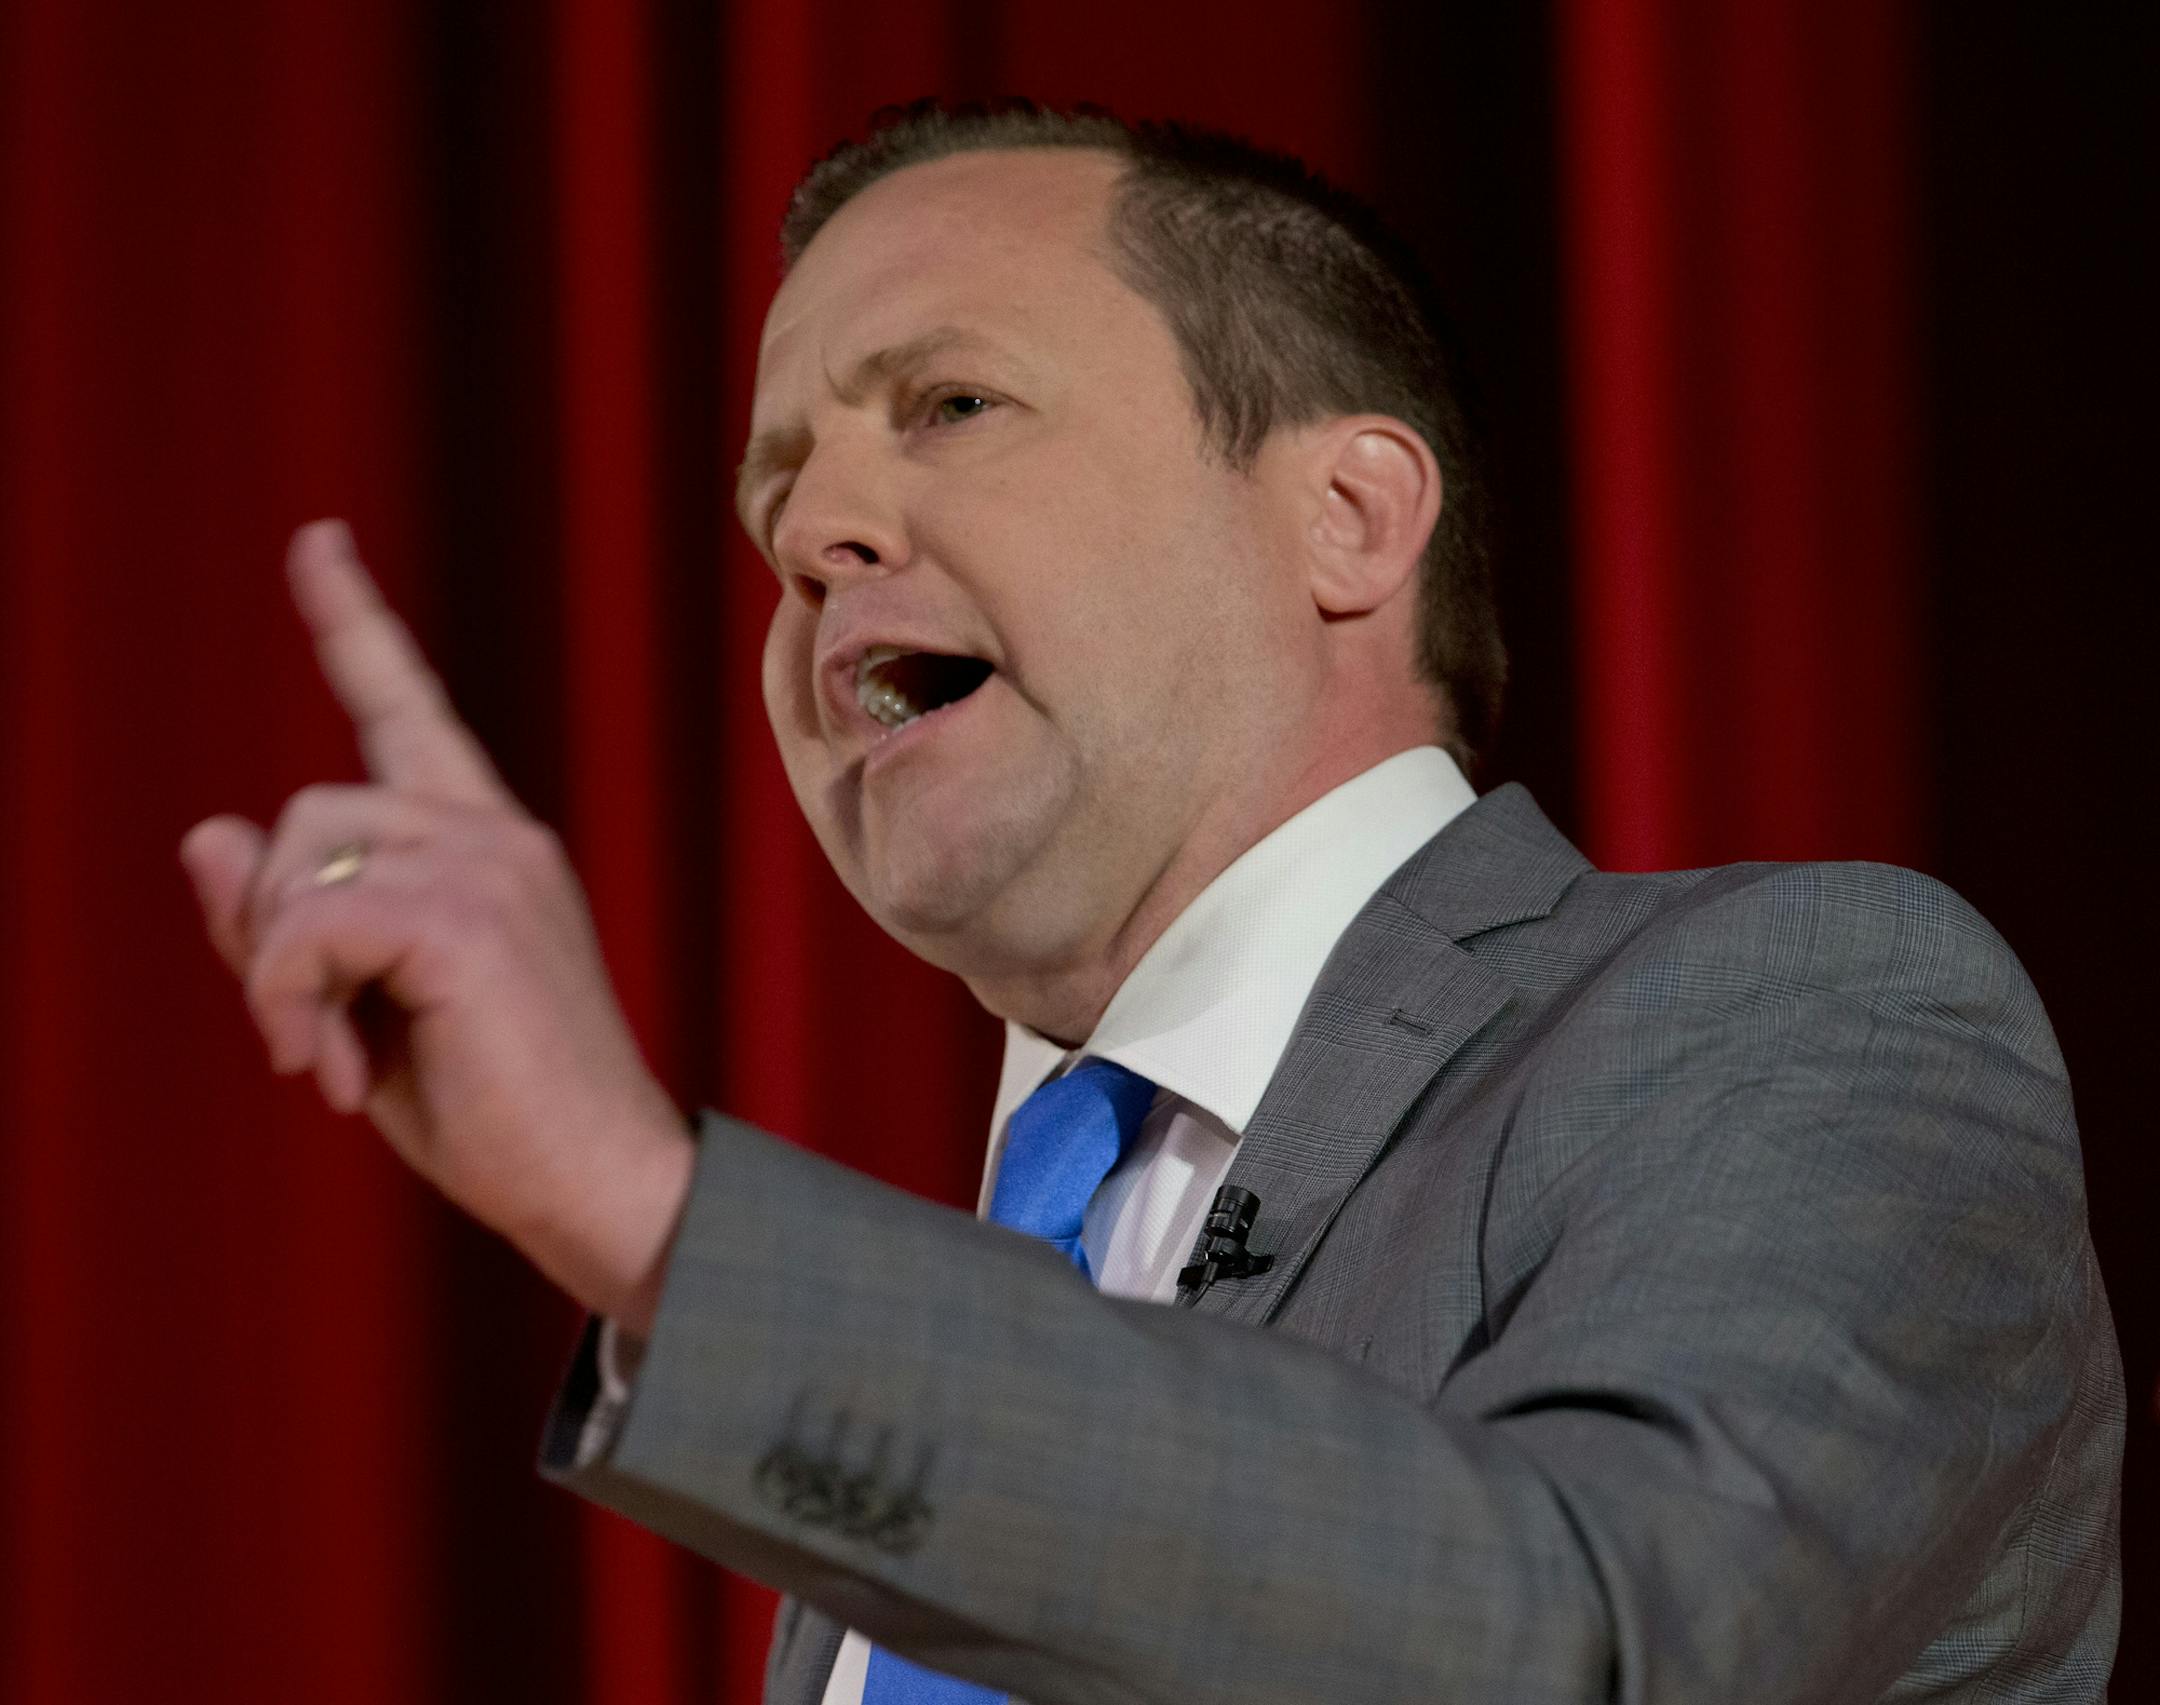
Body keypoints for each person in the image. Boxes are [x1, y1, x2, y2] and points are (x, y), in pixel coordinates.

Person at [180, 104, 2121, 1704]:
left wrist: (650, 1210)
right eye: (779, 499)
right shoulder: (986, 1294)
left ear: (1348, 516)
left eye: (950, 404)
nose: (814, 532)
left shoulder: (1810, 1004)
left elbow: (1592, 1644)